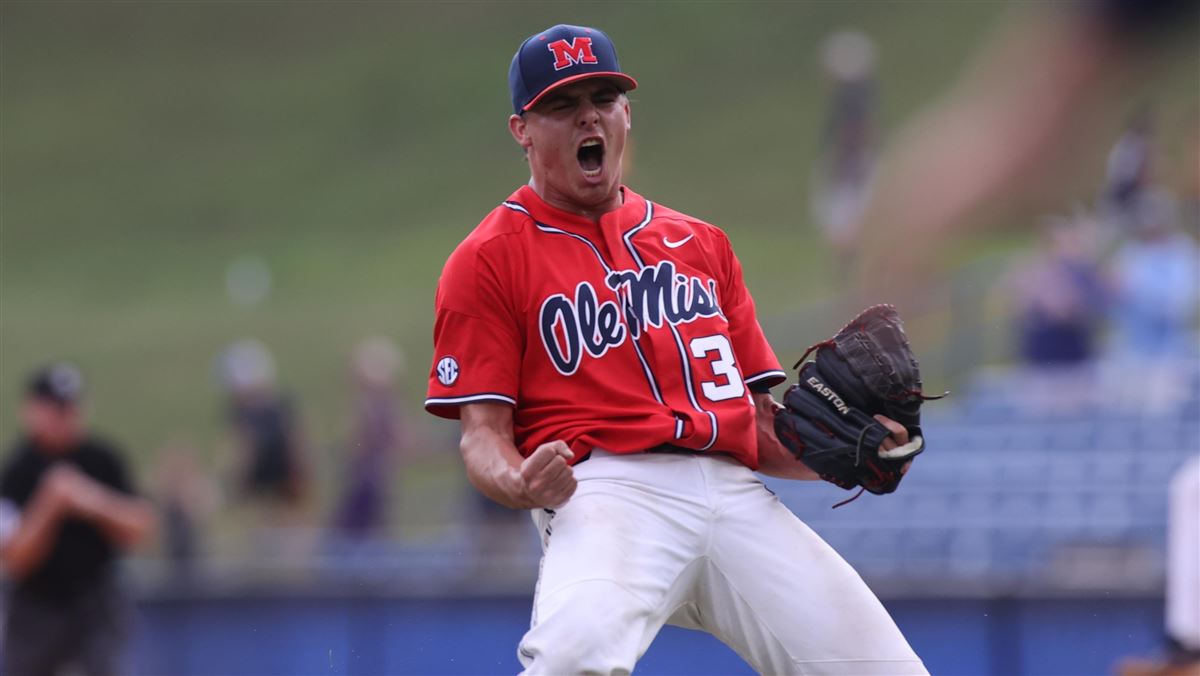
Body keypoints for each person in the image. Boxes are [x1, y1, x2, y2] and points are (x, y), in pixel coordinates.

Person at [425, 24, 926, 674]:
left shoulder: (701, 244)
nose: (588, 115)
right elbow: (481, 435)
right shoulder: (488, 259)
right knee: (572, 659)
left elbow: (756, 423)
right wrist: (518, 481)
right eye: (561, 104)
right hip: (605, 491)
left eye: (603, 97)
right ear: (522, 128)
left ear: (625, 114)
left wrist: (856, 450)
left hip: (732, 492)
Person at [0, 363, 156, 675]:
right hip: (36, 604)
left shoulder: (102, 459)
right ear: (31, 409)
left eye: (69, 408)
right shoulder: (16, 472)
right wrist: (49, 505)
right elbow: (14, 558)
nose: (63, 418)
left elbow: (142, 527)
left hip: (96, 599)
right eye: (54, 408)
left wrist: (92, 502)